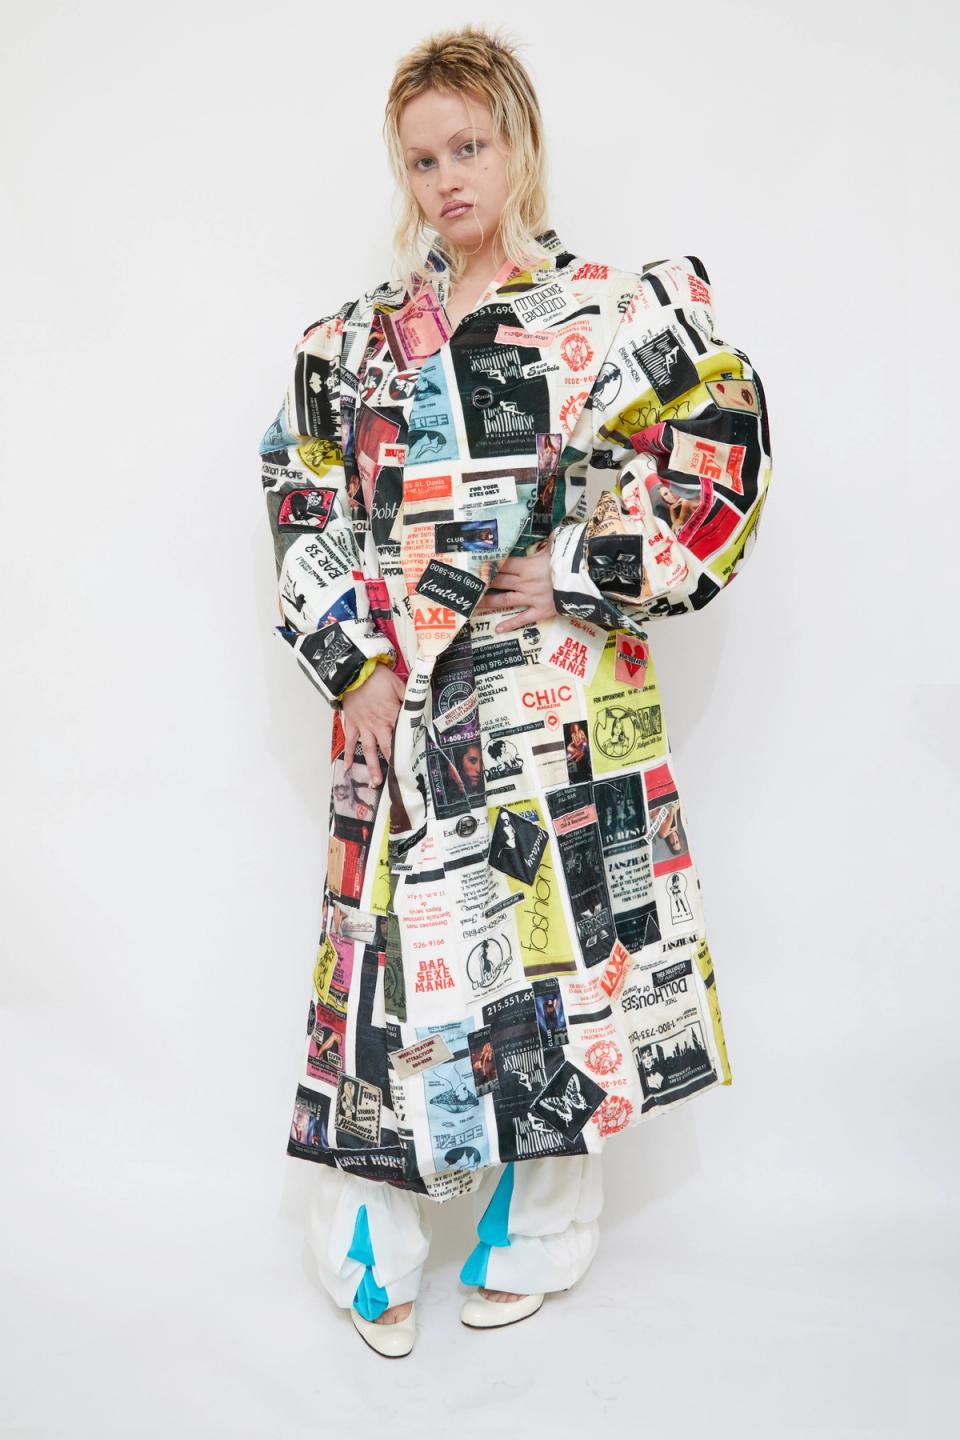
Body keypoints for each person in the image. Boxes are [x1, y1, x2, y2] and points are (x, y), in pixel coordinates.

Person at [259, 23, 772, 1358]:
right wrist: (357, 663)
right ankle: (367, 1243)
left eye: (470, 147)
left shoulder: (611, 313)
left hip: (558, 696)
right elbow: (301, 489)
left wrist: (585, 567)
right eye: (423, 160)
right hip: (405, 704)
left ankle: (536, 1231)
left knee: (559, 966)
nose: (449, 180)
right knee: (380, 971)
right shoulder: (353, 343)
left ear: (519, 146)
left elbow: (723, 447)